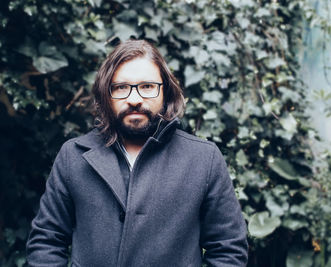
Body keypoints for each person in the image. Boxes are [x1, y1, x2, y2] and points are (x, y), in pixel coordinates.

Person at [26, 39, 248, 266]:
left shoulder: (204, 159)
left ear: (166, 91)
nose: (134, 99)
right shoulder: (73, 156)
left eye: (147, 86)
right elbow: (46, 242)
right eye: (121, 87)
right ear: (106, 94)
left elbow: (228, 250)